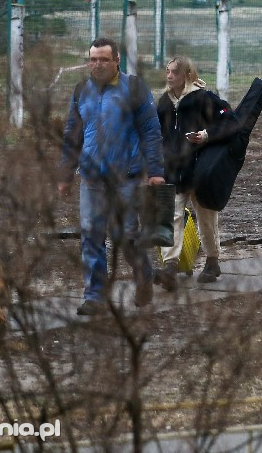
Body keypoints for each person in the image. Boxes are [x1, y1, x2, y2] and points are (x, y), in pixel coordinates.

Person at [58, 37, 166, 316]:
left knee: (127, 236)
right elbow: (73, 133)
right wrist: (65, 173)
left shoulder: (134, 88)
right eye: (93, 59)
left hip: (126, 177)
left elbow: (151, 131)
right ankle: (95, 296)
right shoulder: (82, 90)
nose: (97, 64)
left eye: (103, 59)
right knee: (91, 235)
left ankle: (143, 274)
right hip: (91, 178)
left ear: (117, 60)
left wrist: (155, 172)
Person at [153, 56, 238, 289]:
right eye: (167, 71)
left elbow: (230, 121)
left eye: (174, 72)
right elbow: (154, 132)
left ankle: (212, 260)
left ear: (187, 75)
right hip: (172, 170)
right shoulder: (163, 102)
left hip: (202, 171)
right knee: (168, 216)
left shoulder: (204, 98)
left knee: (206, 219)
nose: (169, 76)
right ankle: (170, 266)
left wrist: (206, 135)